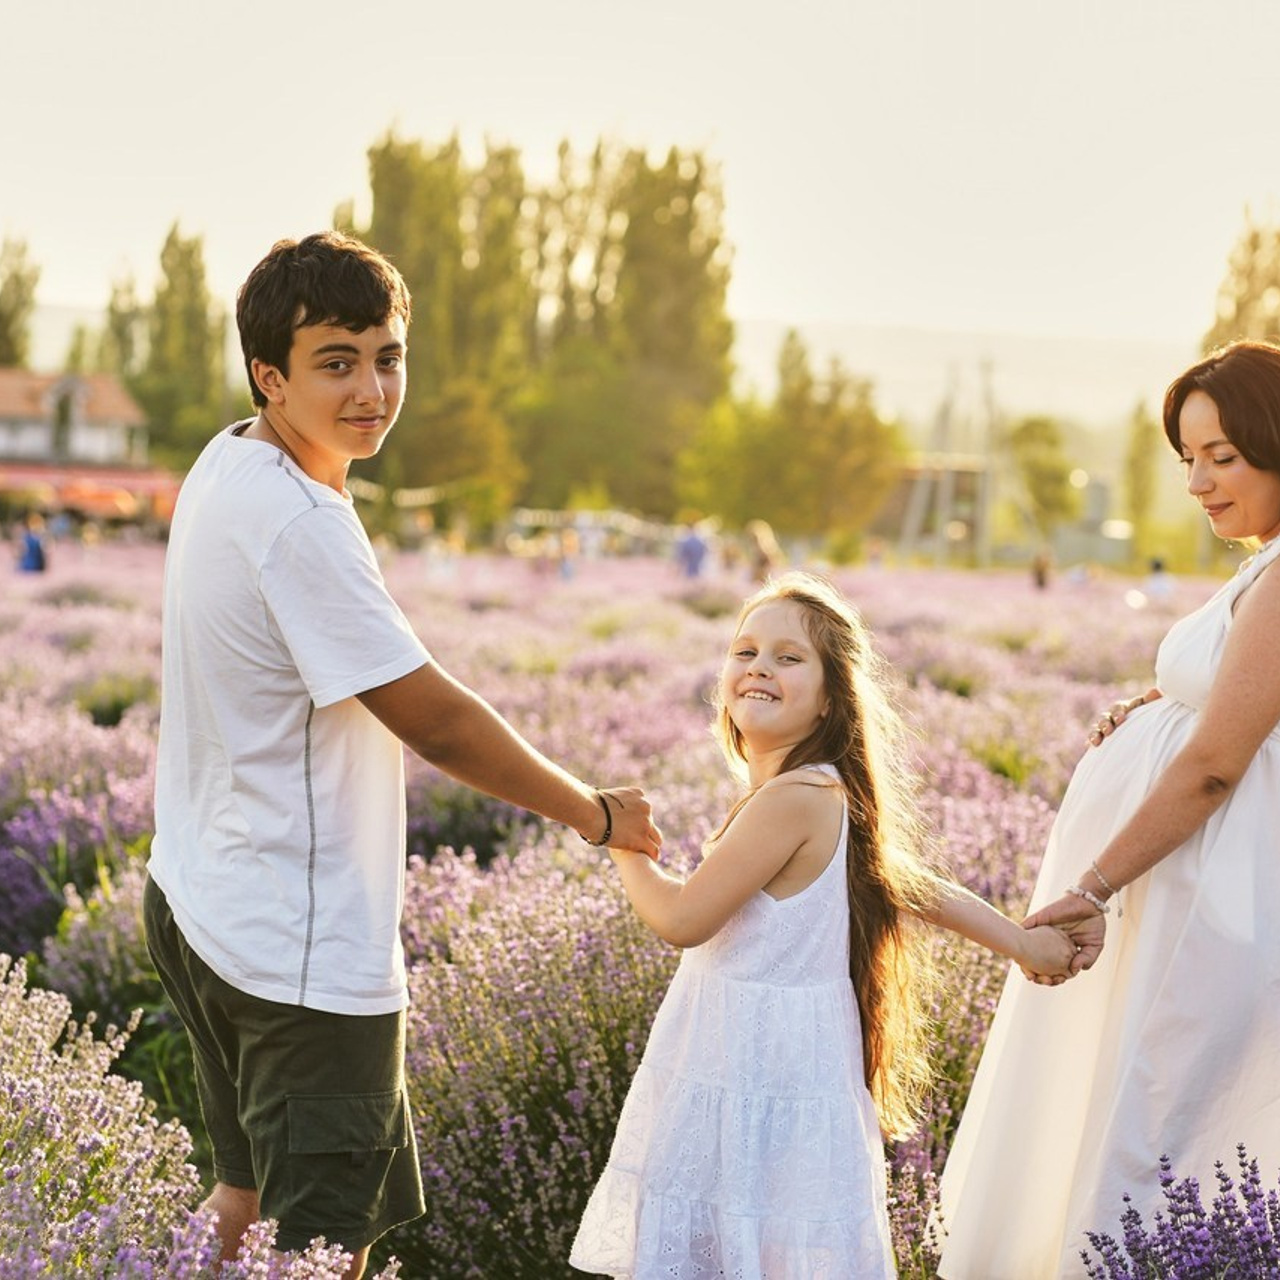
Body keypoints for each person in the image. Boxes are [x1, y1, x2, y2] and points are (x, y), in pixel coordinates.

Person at [144, 231, 661, 1278]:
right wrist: (593, 813)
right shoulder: (300, 521)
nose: (372, 387)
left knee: (242, 1200)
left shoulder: (227, 457)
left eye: (387, 355)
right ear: (270, 373)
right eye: (336, 361)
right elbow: (434, 718)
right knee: (324, 1248)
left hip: (201, 901)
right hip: (294, 949)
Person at [569, 572, 1076, 1279]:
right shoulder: (815, 790)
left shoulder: (797, 798)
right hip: (761, 1066)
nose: (759, 668)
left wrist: (618, 840)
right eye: (744, 651)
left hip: (759, 1071)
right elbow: (905, 882)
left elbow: (682, 918)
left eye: (788, 657)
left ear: (832, 697)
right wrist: (1019, 940)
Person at [936, 339, 1280, 1279]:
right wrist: (1161, 710)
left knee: (1166, 1141)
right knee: (1158, 1138)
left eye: (1224, 456)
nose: (1201, 483)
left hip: (1216, 917)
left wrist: (1092, 887)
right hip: (1193, 906)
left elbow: (1216, 767)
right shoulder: (1265, 566)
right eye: (1187, 461)